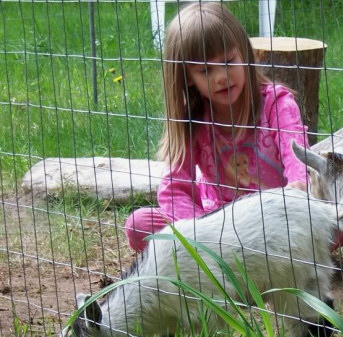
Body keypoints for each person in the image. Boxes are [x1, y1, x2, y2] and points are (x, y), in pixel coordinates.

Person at [125, 2, 310, 252]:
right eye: (206, 70)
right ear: (188, 78)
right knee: (139, 225)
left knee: (341, 223)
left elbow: (298, 160)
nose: (221, 76)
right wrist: (204, 230)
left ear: (245, 53)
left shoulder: (276, 103)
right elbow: (174, 190)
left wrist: (297, 190)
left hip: (277, 221)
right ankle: (228, 259)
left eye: (228, 61)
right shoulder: (193, 119)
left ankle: (240, 262)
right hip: (219, 227)